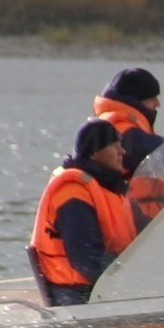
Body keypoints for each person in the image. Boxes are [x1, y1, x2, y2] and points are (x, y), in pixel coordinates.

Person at [27, 118, 139, 307]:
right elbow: (86, 260)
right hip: (75, 293)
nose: (123, 152)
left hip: (98, 285)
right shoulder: (72, 191)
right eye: (114, 146)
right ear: (94, 153)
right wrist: (133, 281)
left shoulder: (106, 187)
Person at [93, 66, 164, 222]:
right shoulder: (123, 130)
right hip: (132, 221)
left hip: (137, 217)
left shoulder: (117, 123)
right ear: (136, 100)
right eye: (152, 97)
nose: (158, 103)